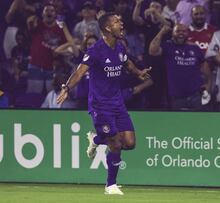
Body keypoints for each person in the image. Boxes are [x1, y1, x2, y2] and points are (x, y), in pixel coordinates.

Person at [56, 12, 151, 195]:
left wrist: (138, 72)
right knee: (115, 143)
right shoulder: (95, 51)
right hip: (100, 105)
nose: (121, 24)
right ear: (108, 28)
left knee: (129, 143)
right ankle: (110, 185)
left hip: (118, 104)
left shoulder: (120, 47)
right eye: (117, 22)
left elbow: (127, 63)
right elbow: (79, 72)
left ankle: (96, 139)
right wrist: (67, 88)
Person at [149, 23, 211, 111]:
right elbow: (152, 51)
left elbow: (204, 66)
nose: (181, 33)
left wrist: (208, 85)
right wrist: (161, 32)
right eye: (177, 31)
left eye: (184, 31)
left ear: (188, 33)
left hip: (196, 94)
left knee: (199, 121)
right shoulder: (168, 46)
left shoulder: (194, 47)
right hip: (176, 96)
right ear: (172, 33)